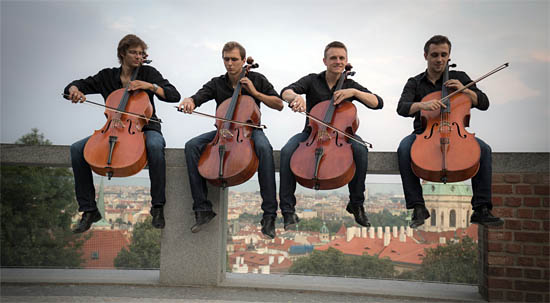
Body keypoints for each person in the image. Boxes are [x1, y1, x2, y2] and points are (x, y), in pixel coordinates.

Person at [64, 34, 181, 233]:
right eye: (133, 52)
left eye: (141, 53)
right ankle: (89, 210)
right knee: (77, 149)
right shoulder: (107, 76)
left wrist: (148, 86)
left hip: (146, 127)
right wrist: (74, 90)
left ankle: (158, 206)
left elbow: (173, 95)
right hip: (114, 127)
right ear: (122, 54)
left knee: (154, 146)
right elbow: (75, 86)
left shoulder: (148, 73)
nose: (138, 56)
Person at [396, 34, 503, 228]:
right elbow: (402, 108)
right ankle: (418, 206)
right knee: (404, 148)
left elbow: (484, 102)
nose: (439, 59)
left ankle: (481, 209)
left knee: (484, 150)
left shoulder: (459, 78)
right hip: (424, 134)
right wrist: (423, 105)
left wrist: (465, 90)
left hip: (456, 133)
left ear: (449, 56)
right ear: (426, 56)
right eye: (435, 54)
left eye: (444, 55)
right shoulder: (415, 82)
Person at [178, 41, 283, 238]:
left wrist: (255, 92)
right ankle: (202, 208)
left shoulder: (257, 79)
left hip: (250, 129)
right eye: (226, 59)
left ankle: (269, 215)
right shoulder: (217, 83)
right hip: (224, 132)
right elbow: (199, 96)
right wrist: (190, 101)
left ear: (244, 61)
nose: (230, 63)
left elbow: (279, 104)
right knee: (192, 146)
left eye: (234, 59)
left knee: (264, 149)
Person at [280, 41, 383, 230]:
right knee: (287, 151)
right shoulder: (312, 80)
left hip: (341, 136)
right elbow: (285, 91)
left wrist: (354, 93)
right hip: (311, 134)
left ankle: (357, 204)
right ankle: (287, 210)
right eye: (333, 58)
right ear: (325, 61)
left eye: (341, 58)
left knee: (360, 149)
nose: (338, 61)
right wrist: (295, 97)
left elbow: (378, 102)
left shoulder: (351, 84)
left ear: (346, 61)